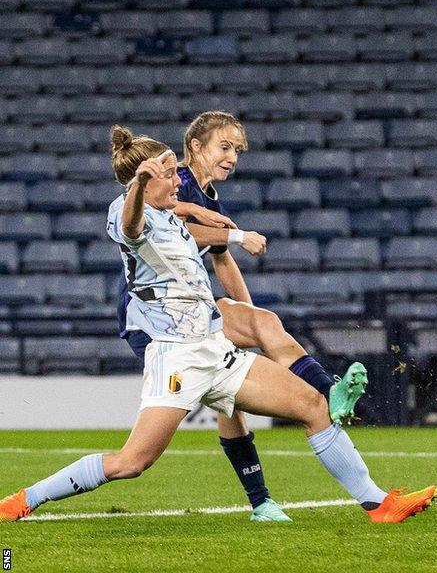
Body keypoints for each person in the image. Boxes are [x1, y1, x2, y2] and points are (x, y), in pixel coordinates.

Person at [0, 127, 437, 524]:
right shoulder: (126, 212)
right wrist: (138, 186)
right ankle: (24, 499)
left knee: (311, 405)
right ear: (145, 181)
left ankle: (378, 504)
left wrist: (207, 219)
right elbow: (132, 227)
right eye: (170, 174)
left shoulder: (172, 214)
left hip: (215, 348)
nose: (178, 180)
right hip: (176, 357)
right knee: (131, 462)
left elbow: (192, 225)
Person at [115, 112, 365, 522]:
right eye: (225, 147)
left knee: (233, 393)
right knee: (228, 388)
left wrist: (248, 320)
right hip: (153, 317)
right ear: (195, 146)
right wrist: (233, 235)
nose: (232, 157)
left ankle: (261, 502)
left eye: (238, 151)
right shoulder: (172, 178)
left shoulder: (208, 198)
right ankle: (324, 393)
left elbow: (223, 262)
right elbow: (170, 228)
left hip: (189, 311)